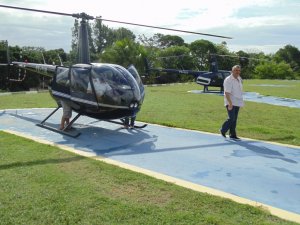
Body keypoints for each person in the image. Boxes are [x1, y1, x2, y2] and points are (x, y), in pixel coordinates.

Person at [220, 65, 244, 140]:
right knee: (231, 118)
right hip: (231, 101)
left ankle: (232, 134)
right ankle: (223, 130)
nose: (238, 72)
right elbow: (226, 93)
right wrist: (230, 103)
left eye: (239, 70)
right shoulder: (228, 80)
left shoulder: (239, 78)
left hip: (238, 101)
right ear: (232, 71)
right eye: (236, 70)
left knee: (235, 119)